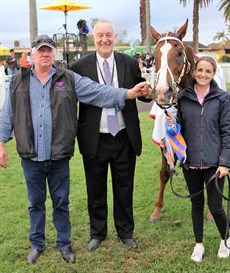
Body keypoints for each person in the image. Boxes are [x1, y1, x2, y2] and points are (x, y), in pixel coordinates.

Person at [0, 34, 148, 264]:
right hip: (31, 153)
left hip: (58, 153)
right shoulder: (18, 81)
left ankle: (64, 244)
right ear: (32, 53)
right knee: (35, 203)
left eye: (49, 50)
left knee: (61, 202)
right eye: (41, 50)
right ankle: (37, 244)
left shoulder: (68, 78)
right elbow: (7, 113)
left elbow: (98, 91)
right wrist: (1, 142)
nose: (45, 54)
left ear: (54, 53)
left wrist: (126, 94)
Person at [70, 20, 151, 252]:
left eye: (109, 35)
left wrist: (149, 93)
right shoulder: (79, 67)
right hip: (94, 137)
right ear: (92, 38)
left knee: (124, 187)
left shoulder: (128, 62)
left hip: (124, 136)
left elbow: (141, 93)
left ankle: (126, 232)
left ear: (115, 36)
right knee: (95, 189)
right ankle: (97, 233)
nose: (104, 40)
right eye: (100, 35)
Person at [176, 56, 230, 263]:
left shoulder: (223, 98)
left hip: (215, 164)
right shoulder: (183, 97)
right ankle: (198, 244)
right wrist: (173, 129)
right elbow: (178, 127)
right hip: (191, 163)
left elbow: (227, 131)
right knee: (196, 205)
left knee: (215, 207)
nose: (203, 74)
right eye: (200, 70)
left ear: (213, 74)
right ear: (193, 71)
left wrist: (225, 161)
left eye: (208, 71)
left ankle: (225, 239)